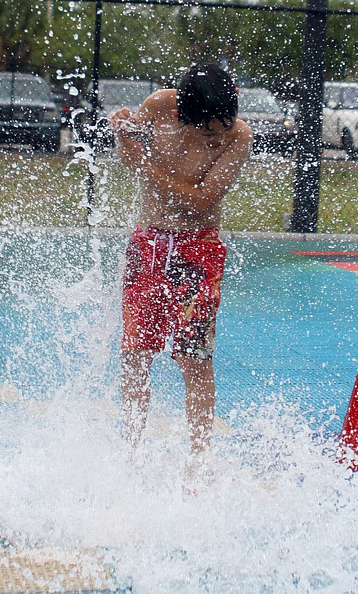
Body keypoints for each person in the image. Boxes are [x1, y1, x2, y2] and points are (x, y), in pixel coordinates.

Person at [110, 63, 252, 458]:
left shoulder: (238, 137)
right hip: (148, 244)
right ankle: (132, 450)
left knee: (195, 359)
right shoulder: (159, 107)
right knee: (135, 353)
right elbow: (130, 155)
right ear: (180, 115)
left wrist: (144, 166)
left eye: (224, 123)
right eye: (207, 129)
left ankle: (198, 460)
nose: (217, 134)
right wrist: (123, 134)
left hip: (198, 251)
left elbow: (203, 199)